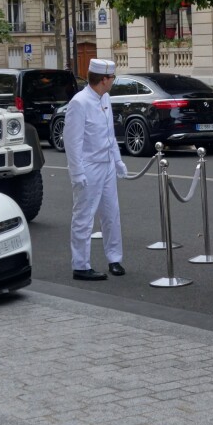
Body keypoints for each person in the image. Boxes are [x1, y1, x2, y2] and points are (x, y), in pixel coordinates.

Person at [64, 58, 128, 281]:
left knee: (112, 213)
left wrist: (117, 160)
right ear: (103, 79)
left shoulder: (105, 98)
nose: (113, 82)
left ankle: (114, 259)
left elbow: (109, 135)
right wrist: (77, 173)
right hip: (89, 166)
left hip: (107, 163)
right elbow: (72, 142)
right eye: (112, 78)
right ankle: (80, 264)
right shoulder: (79, 102)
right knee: (84, 216)